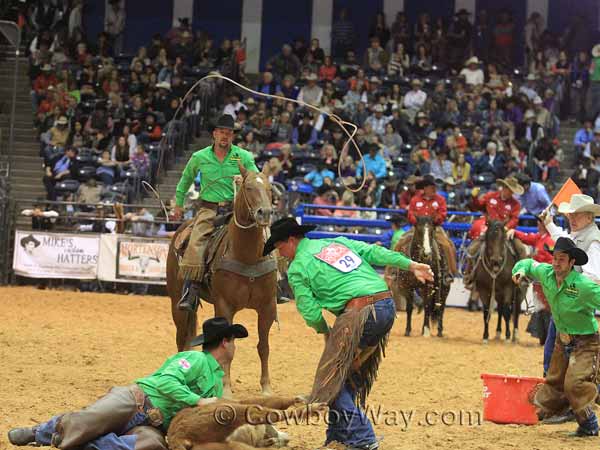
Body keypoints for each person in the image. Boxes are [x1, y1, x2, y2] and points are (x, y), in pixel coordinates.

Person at [262, 217, 433, 450]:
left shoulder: (298, 268)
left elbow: (309, 311)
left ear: (291, 240)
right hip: (385, 306)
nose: (279, 252)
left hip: (358, 313)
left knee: (329, 379)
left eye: (279, 246)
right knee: (346, 373)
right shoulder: (336, 243)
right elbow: (374, 253)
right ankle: (338, 436)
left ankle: (363, 437)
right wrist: (411, 265)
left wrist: (326, 331)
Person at [7, 317, 248, 449]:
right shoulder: (195, 359)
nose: (235, 346)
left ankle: (88, 443)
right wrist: (199, 400)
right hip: (137, 400)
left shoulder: (216, 383)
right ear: (225, 342)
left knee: (152, 447)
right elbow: (166, 381)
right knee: (90, 419)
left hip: (156, 426)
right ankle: (38, 432)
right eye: (234, 341)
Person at [512, 238, 600, 436]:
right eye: (555, 258)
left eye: (562, 259)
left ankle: (590, 425)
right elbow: (528, 263)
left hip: (586, 343)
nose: (556, 262)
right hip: (563, 340)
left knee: (574, 385)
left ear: (571, 263)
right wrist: (519, 271)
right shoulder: (546, 273)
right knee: (554, 385)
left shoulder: (584, 286)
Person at [174, 115, 258, 311]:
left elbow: (255, 178)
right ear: (214, 134)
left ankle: (273, 282)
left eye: (229, 133)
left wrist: (246, 179)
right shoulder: (200, 157)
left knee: (262, 234)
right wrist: (178, 204)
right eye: (221, 132)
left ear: (232, 136)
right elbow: (185, 180)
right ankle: (191, 289)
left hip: (235, 210)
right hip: (209, 209)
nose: (225, 136)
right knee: (196, 241)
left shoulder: (241, 156)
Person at [463, 177, 529, 286]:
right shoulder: (490, 196)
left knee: (521, 249)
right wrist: (474, 197)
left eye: (512, 191)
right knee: (472, 249)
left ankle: (522, 276)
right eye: (509, 189)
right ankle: (469, 274)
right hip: (489, 230)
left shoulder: (515, 204)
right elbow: (478, 206)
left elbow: (514, 219)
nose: (510, 192)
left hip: (505, 232)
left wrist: (506, 228)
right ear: (503, 188)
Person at [397, 175, 458, 283]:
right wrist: (417, 221)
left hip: (435, 228)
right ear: (424, 188)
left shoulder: (440, 199)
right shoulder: (415, 199)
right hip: (417, 228)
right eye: (431, 187)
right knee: (400, 242)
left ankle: (449, 272)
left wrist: (435, 219)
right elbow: (410, 212)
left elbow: (443, 213)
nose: (434, 189)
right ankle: (394, 270)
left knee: (447, 245)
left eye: (434, 187)